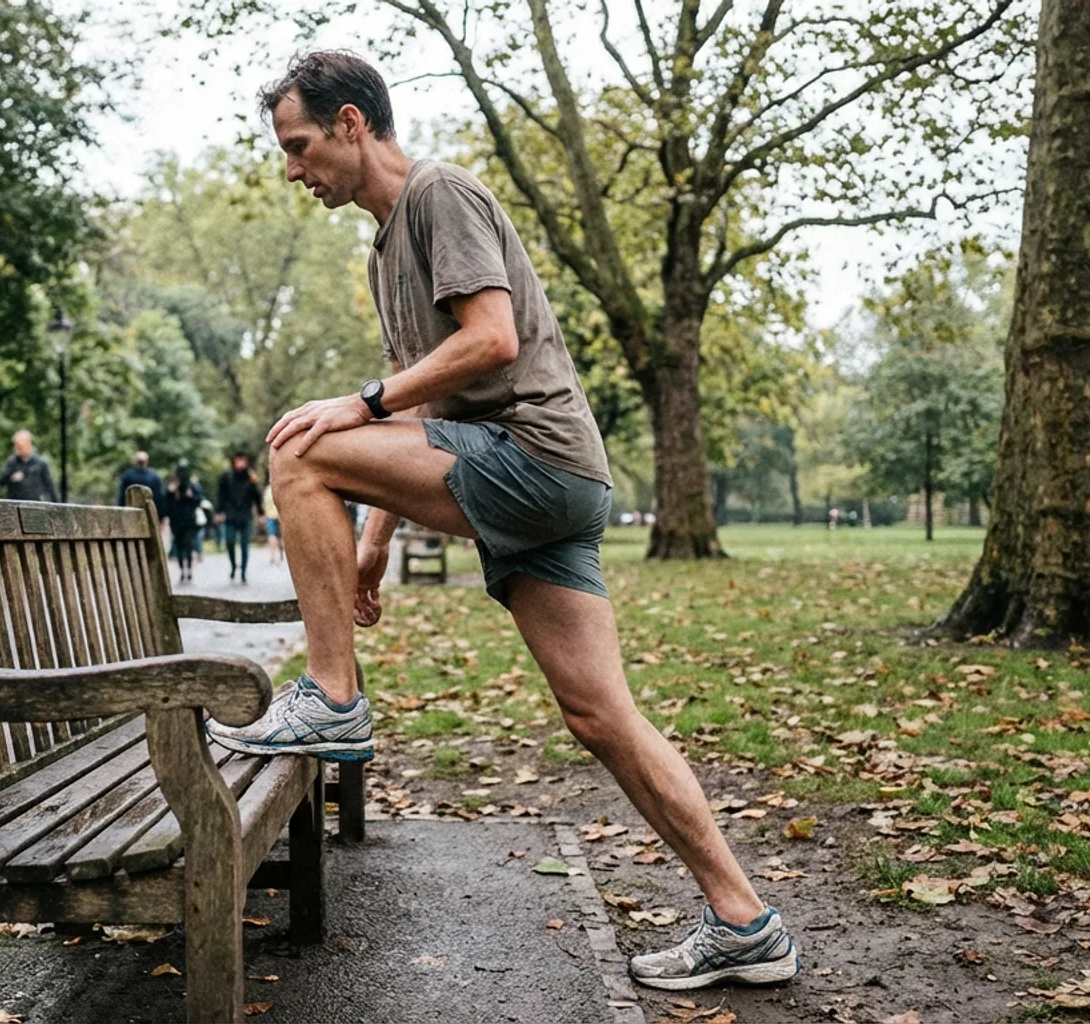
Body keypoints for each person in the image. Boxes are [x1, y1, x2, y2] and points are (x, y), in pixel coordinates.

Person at [206, 52, 799, 993]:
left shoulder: (439, 194)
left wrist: (357, 402)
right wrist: (373, 540)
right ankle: (745, 922)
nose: (292, 170)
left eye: (301, 145)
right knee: (601, 716)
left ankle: (332, 696)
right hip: (547, 483)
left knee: (298, 446)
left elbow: (491, 339)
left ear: (352, 123)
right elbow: (426, 405)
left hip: (533, 459)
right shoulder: (385, 247)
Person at [216, 451, 264, 584]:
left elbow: (257, 497)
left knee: (244, 544)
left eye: (243, 460)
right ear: (234, 461)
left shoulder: (251, 477)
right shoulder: (227, 476)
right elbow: (221, 495)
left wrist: (261, 513)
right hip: (231, 515)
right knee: (229, 541)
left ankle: (243, 572)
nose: (241, 463)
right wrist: (219, 512)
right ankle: (233, 566)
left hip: (245, 515)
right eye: (238, 460)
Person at [166, 461, 205, 584]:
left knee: (188, 545)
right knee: (179, 547)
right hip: (177, 521)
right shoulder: (173, 486)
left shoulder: (192, 485)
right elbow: (166, 503)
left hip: (189, 521)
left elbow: (199, 500)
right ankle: (182, 571)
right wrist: (172, 493)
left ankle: (188, 570)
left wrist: (191, 496)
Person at [0, 430, 59, 502]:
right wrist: (12, 478)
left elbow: (50, 486)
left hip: (36, 503)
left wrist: (56, 504)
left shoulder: (40, 463)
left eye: (20, 446)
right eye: (16, 446)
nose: (17, 449)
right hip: (15, 503)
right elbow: (1, 481)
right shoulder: (12, 462)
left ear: (29, 444)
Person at [117, 450, 167, 521]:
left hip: (140, 513)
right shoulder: (153, 476)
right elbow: (122, 496)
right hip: (137, 513)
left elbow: (159, 497)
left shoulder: (128, 475)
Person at [262, 479, 284, 565]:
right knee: (280, 536)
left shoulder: (267, 491)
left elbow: (264, 505)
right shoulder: (278, 489)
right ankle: (280, 555)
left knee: (271, 535)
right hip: (279, 515)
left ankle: (273, 556)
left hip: (270, 516)